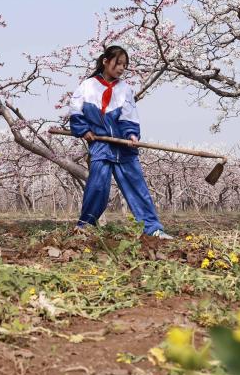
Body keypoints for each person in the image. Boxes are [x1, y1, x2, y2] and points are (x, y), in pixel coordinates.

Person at [68, 45, 173, 239]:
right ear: (105, 61)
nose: (122, 68)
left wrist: (132, 135)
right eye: (118, 63)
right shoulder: (87, 86)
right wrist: (84, 130)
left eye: (125, 65)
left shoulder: (125, 89)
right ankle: (84, 227)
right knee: (97, 186)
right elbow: (75, 110)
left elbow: (129, 116)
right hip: (101, 145)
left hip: (123, 147)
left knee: (137, 187)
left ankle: (153, 229)